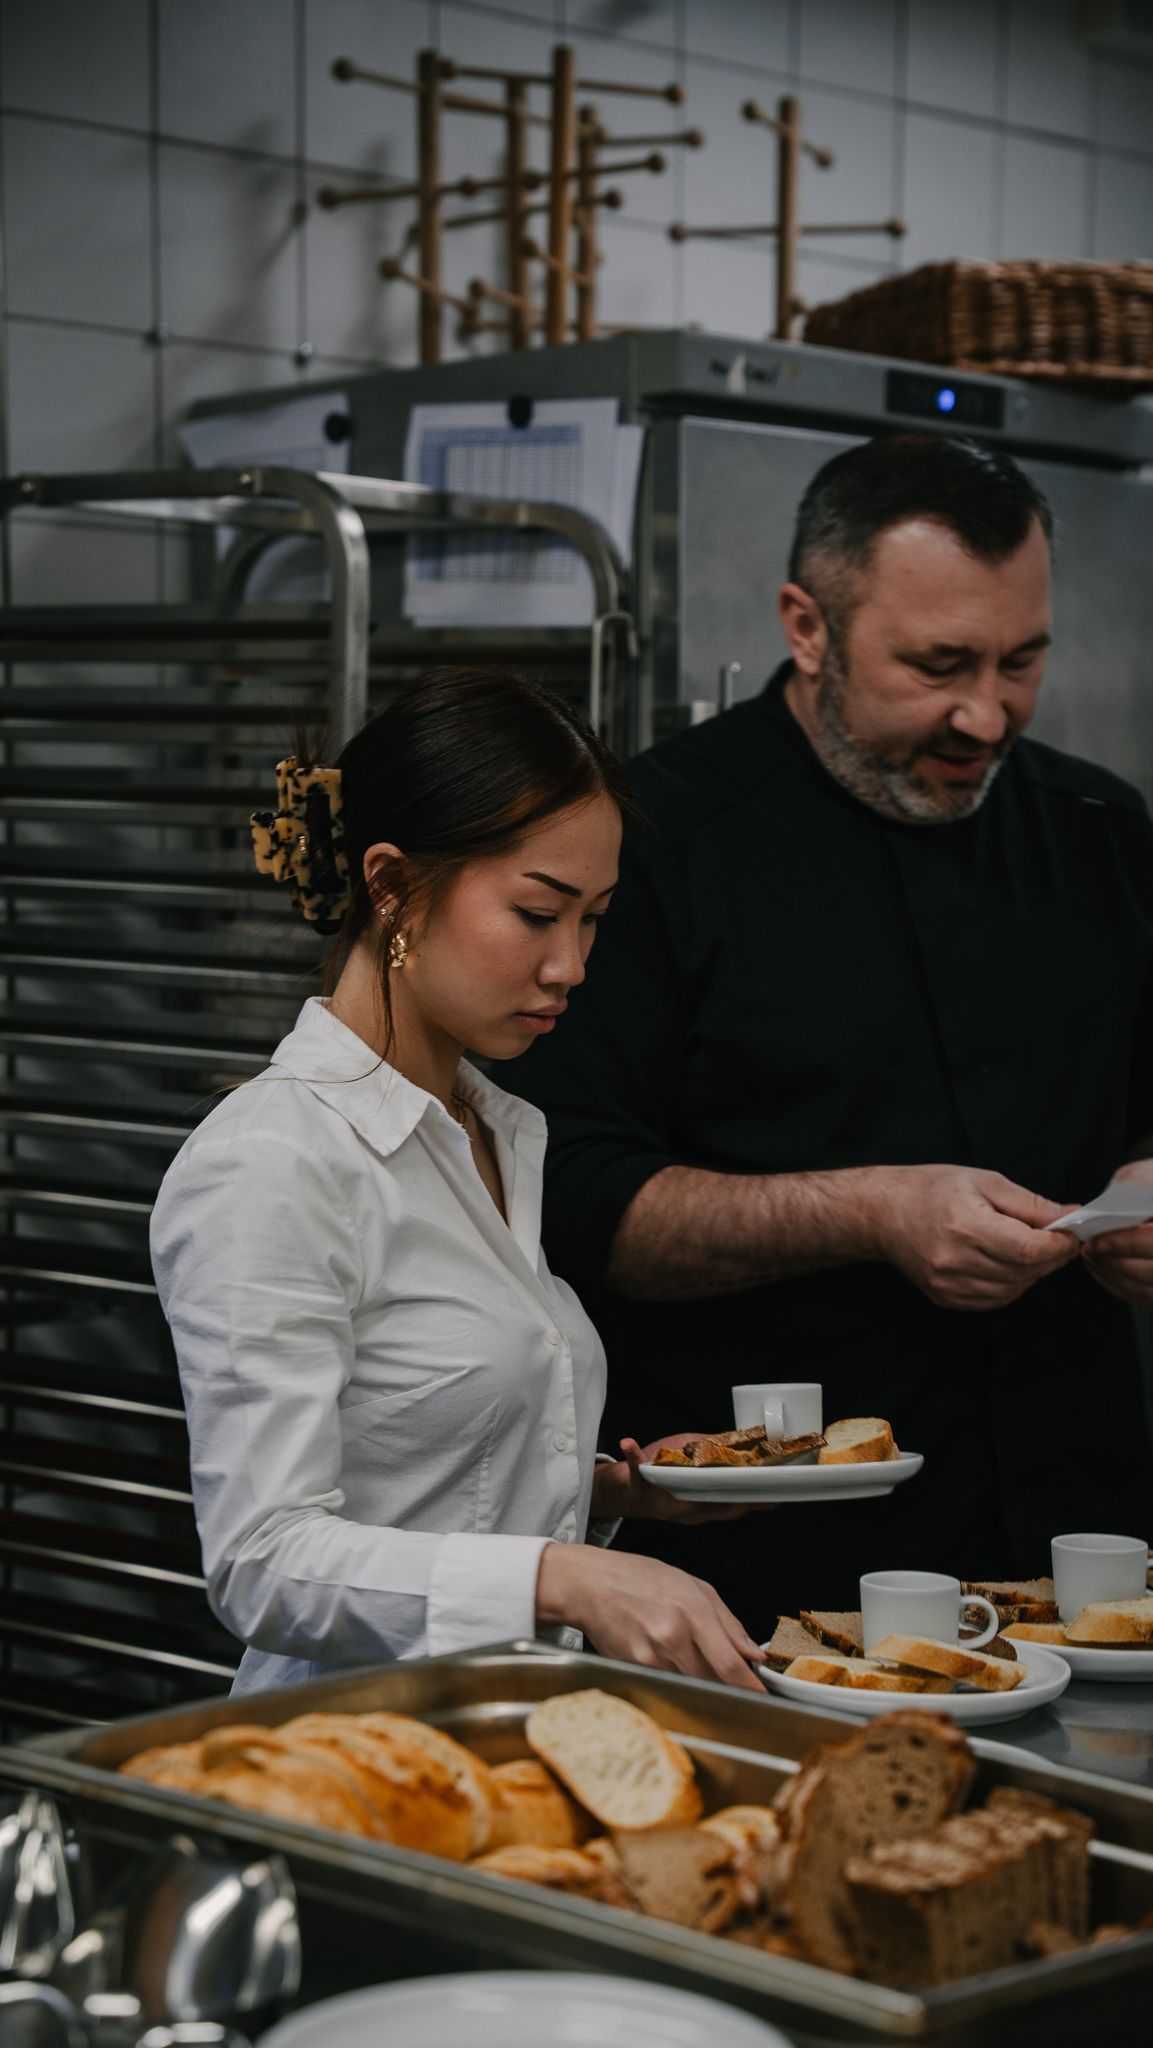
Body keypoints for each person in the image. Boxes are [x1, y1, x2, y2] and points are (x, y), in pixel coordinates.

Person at [517, 433, 1153, 1632]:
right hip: (774, 1562)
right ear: (806, 626)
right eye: (938, 663)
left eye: (1022, 660)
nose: (986, 713)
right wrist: (867, 1211)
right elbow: (571, 1197)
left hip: (1082, 1543)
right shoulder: (655, 843)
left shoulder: (1100, 830)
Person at [150, 668, 766, 1696]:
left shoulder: (496, 1130)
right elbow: (263, 1559)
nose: (571, 964)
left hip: (504, 1728)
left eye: (596, 918)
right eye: (537, 913)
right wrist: (564, 1575)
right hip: (349, 1752)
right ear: (390, 883)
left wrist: (613, 1492)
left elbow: (425, 1469)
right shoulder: (273, 1160)